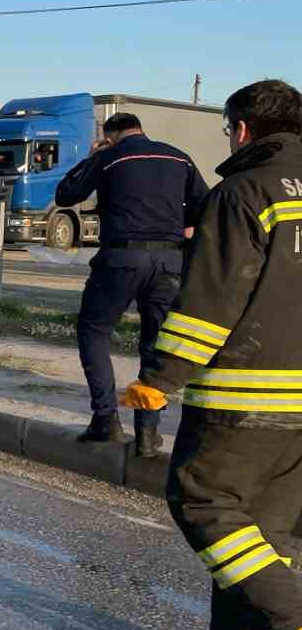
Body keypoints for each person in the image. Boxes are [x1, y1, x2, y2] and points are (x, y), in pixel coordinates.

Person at [121, 79, 302, 630]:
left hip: (246, 394)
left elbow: (210, 302)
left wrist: (159, 378)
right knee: (262, 530)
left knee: (202, 500)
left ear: (244, 129)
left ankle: (293, 621)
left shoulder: (245, 191)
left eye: (229, 129)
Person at [54, 113, 208, 448]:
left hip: (121, 258)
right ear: (140, 128)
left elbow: (66, 194)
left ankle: (106, 419)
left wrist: (93, 156)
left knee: (93, 331)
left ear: (110, 136)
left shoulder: (108, 157)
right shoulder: (178, 157)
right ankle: (148, 434)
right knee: (155, 345)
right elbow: (204, 207)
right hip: (169, 262)